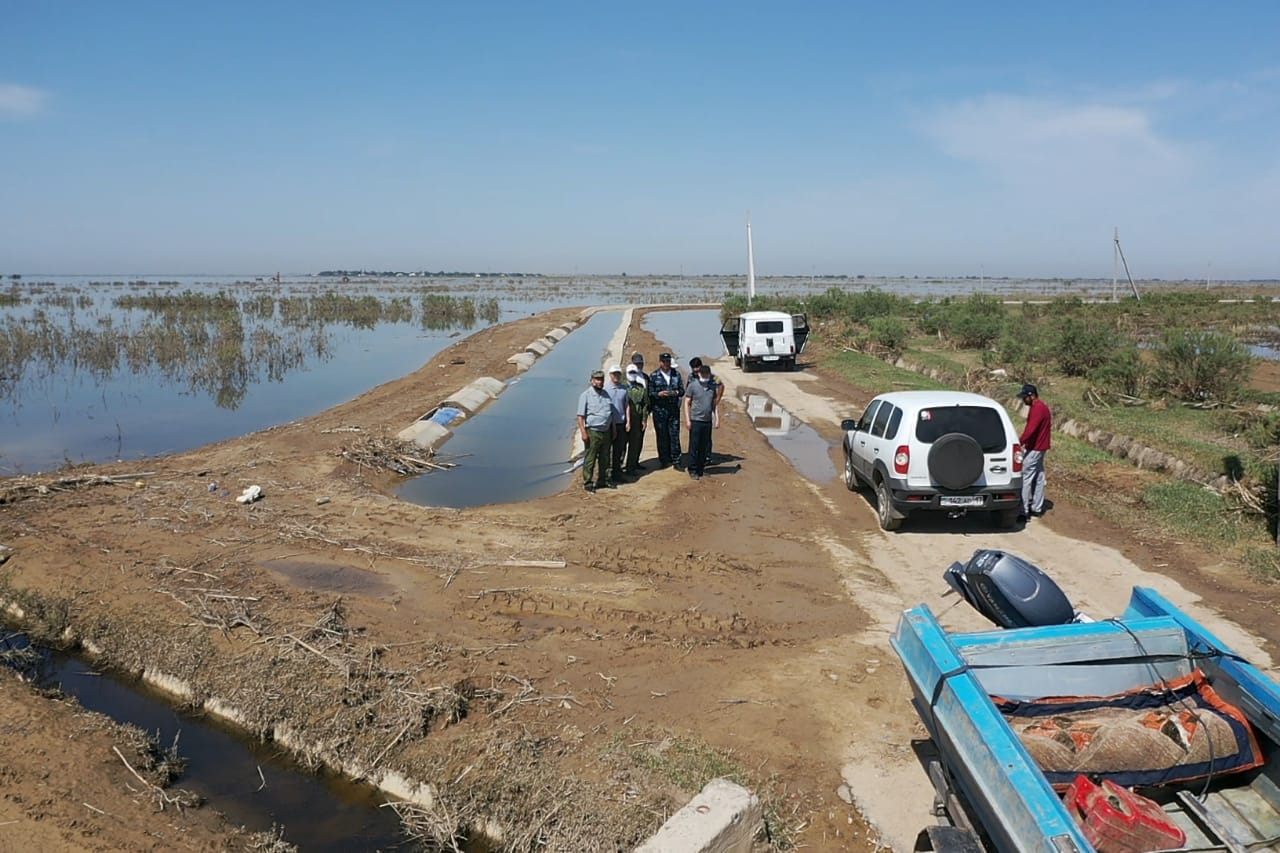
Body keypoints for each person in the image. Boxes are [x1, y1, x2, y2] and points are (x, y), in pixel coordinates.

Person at [576, 369, 615, 492]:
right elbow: (580, 416)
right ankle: (588, 482)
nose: (600, 382)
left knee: (605, 457)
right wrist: (583, 432)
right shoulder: (585, 395)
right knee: (590, 457)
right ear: (592, 381)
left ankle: (603, 480)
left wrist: (613, 429)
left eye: (601, 380)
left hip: (606, 431)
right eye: (597, 379)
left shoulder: (606, 394)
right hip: (593, 431)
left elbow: (611, 414)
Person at [1018, 383, 1051, 521]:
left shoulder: (1037, 409)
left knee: (1026, 476)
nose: (1023, 400)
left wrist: (1020, 441)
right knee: (1039, 476)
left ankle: (1023, 510)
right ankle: (1037, 507)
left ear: (1031, 396)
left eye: (1025, 397)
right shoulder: (1041, 407)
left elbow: (1030, 429)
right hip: (1040, 447)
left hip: (1035, 447)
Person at [683, 362, 720, 480]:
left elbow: (714, 405)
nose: (705, 376)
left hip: (707, 421)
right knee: (694, 446)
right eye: (703, 374)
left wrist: (717, 419)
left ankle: (701, 469)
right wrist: (688, 420)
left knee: (704, 446)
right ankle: (692, 469)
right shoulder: (693, 386)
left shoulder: (712, 387)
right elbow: (686, 403)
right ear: (699, 374)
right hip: (696, 420)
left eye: (707, 374)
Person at [649, 352, 684, 470]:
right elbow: (650, 393)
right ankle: (664, 460)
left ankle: (676, 460)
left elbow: (682, 390)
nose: (666, 364)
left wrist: (676, 393)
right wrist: (658, 394)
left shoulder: (676, 375)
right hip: (659, 411)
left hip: (673, 410)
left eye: (668, 361)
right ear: (660, 362)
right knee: (662, 435)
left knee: (674, 435)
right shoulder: (654, 376)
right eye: (664, 362)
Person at [605, 365, 632, 483]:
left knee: (619, 450)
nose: (616, 376)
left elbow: (627, 406)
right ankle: (606, 476)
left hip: (621, 424)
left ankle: (617, 474)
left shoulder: (624, 389)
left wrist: (628, 421)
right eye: (614, 374)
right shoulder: (605, 390)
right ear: (610, 375)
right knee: (607, 451)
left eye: (618, 374)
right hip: (609, 425)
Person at [623, 364, 651, 474]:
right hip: (623, 421)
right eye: (630, 373)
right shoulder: (621, 387)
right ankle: (618, 469)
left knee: (634, 445)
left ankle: (631, 468)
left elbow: (645, 405)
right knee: (621, 446)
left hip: (637, 420)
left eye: (634, 373)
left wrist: (644, 420)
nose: (632, 375)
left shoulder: (641, 389)